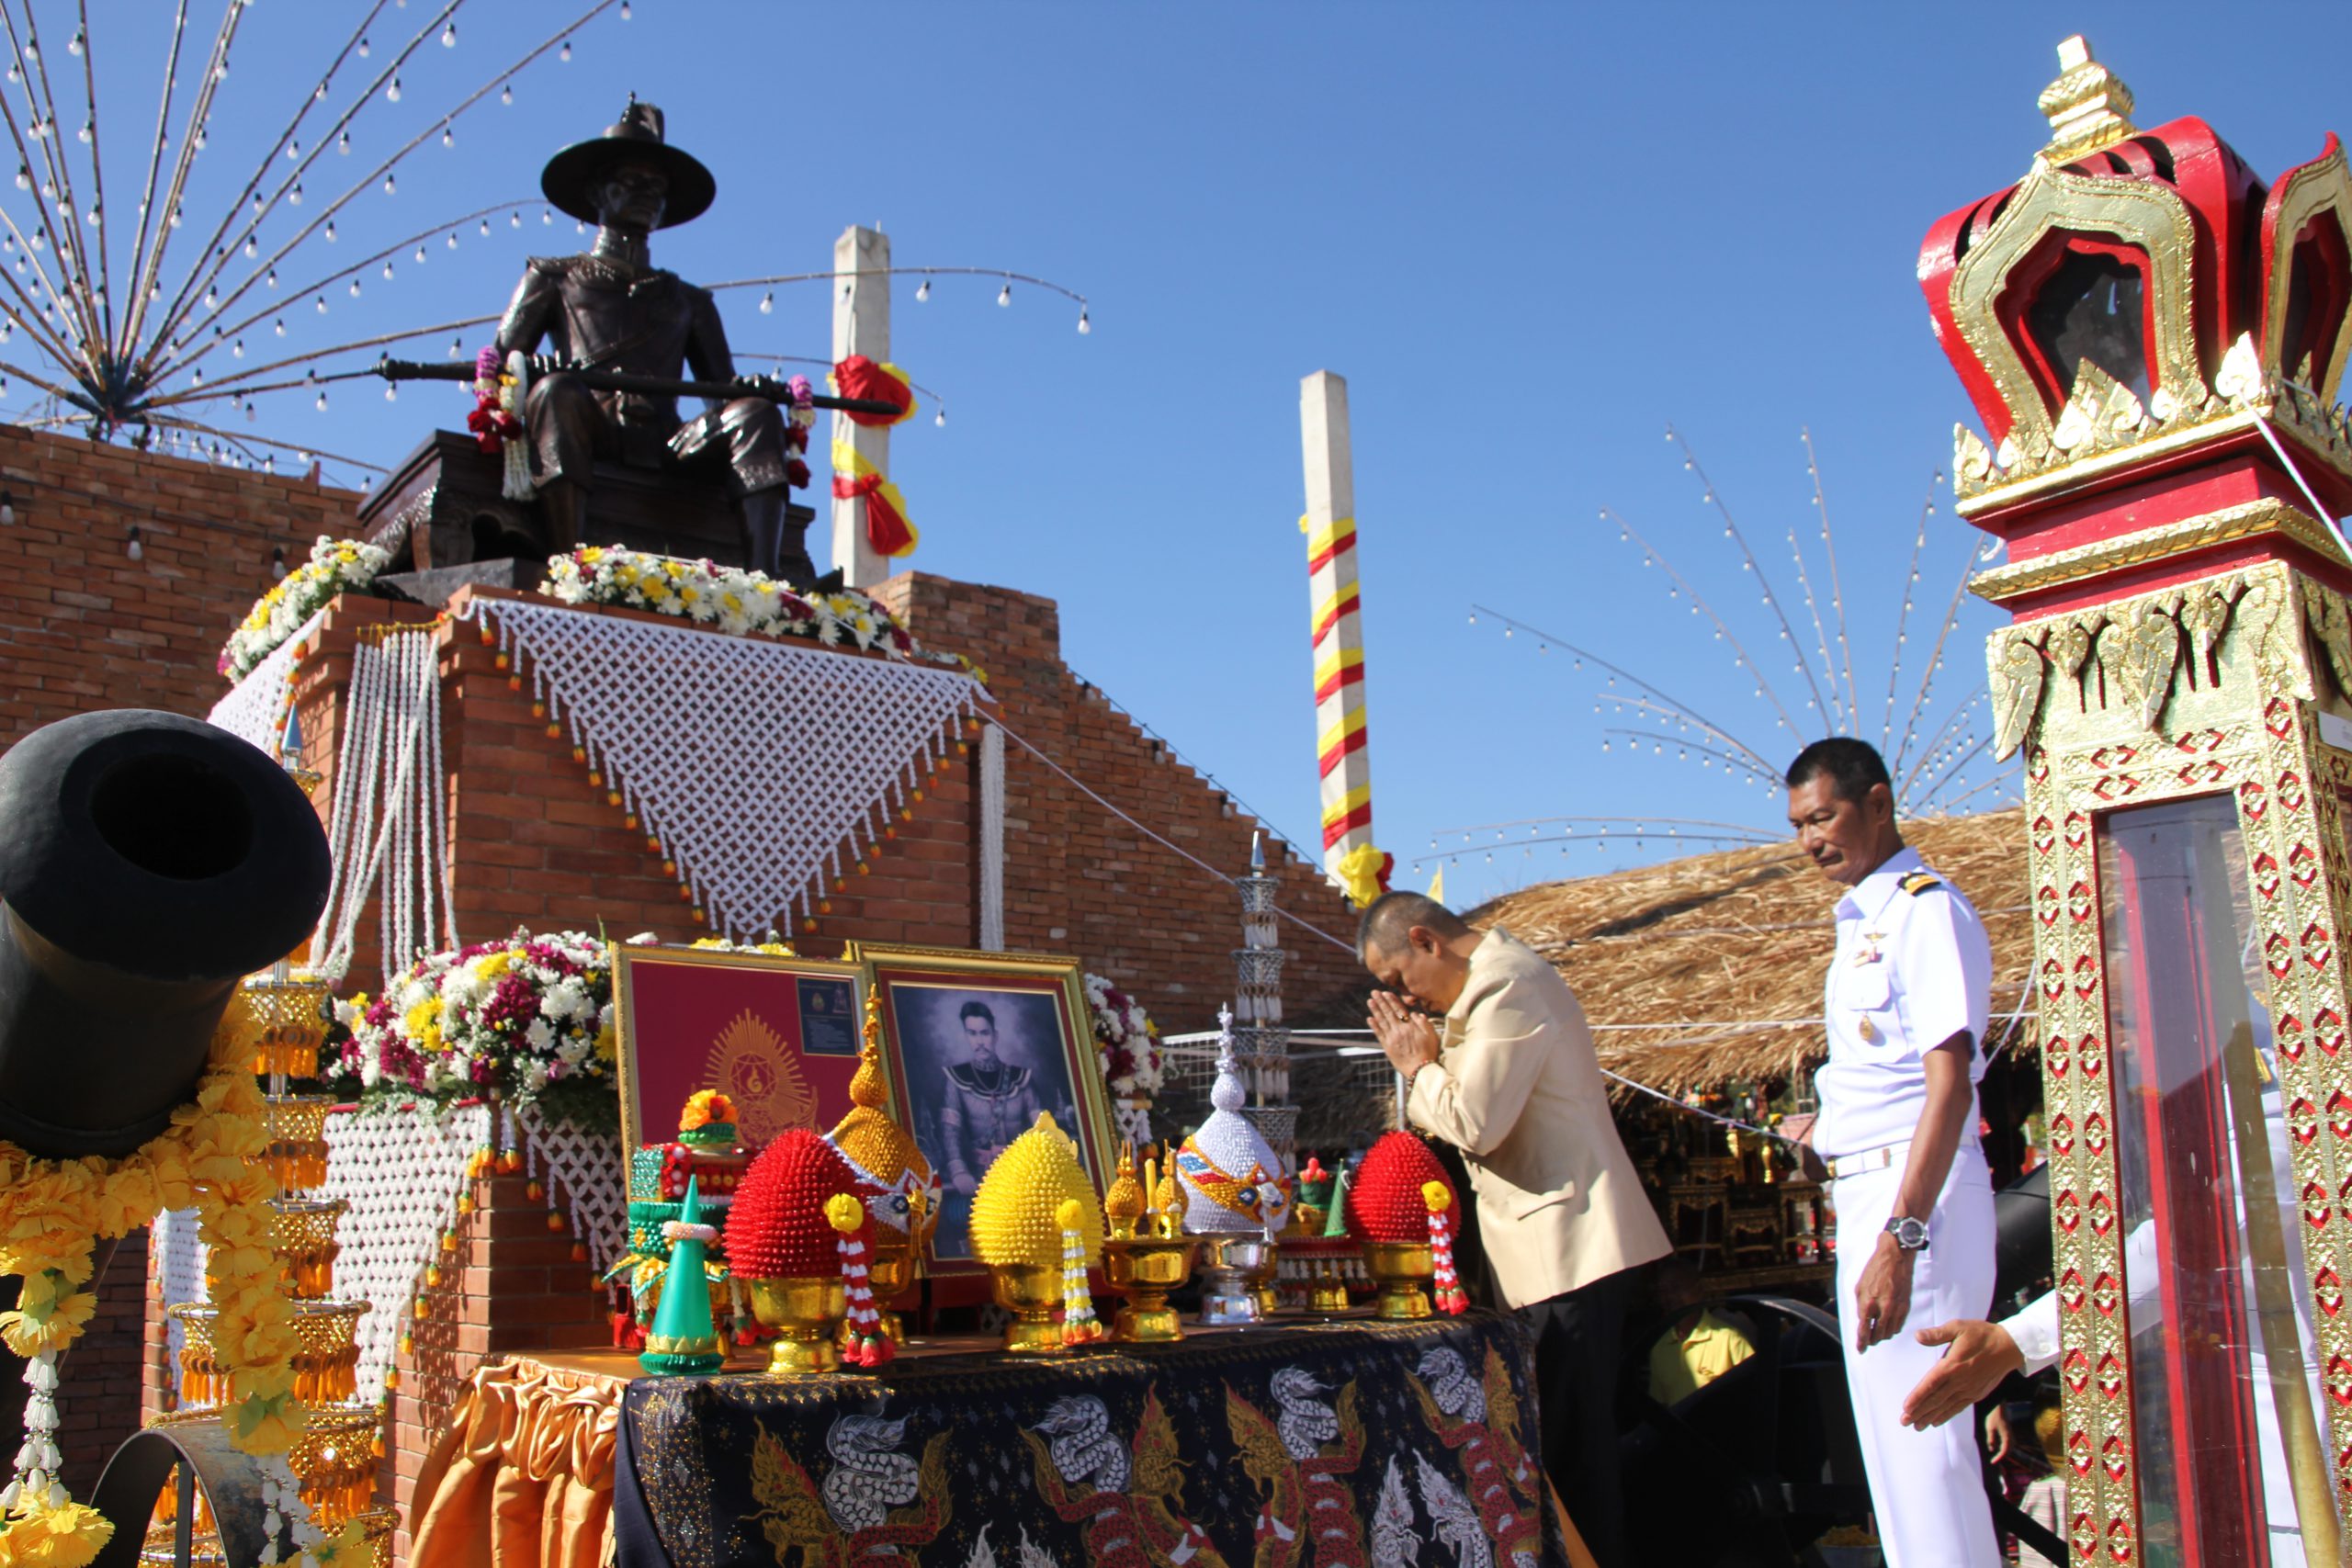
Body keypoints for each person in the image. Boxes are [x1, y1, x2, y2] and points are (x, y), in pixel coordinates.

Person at [1361, 891, 1671, 1568]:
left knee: (1572, 1459)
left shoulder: (1507, 981)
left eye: (1397, 980)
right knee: (1561, 1454)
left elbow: (1475, 1121)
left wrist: (1418, 1065)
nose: (1405, 1001)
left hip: (1569, 1250)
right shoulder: (1482, 989)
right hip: (1545, 1256)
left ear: (1426, 941)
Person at [1785, 736, 1999, 1568]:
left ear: (1878, 803)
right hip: (1870, 1192)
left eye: (1825, 815)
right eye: (1800, 824)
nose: (1811, 839)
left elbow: (1950, 1088)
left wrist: (1901, 1238)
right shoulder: (1864, 920)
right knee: (1896, 1466)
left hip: (1918, 1206)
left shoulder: (1924, 908)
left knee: (1927, 1453)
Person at [494, 100, 816, 583]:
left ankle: (763, 583)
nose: (647, 194)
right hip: (589, 423)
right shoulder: (555, 277)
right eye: (631, 182)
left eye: (657, 188)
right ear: (597, 192)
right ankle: (570, 566)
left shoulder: (687, 299)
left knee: (754, 412)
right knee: (556, 392)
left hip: (667, 439)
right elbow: (500, 362)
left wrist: (749, 391)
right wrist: (533, 368)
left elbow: (720, 389)